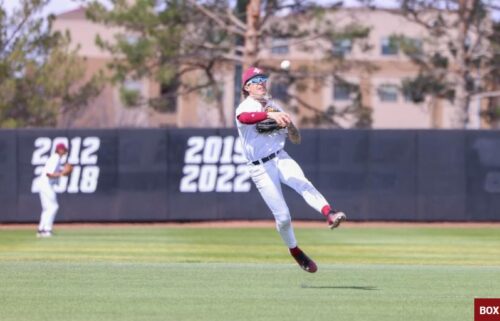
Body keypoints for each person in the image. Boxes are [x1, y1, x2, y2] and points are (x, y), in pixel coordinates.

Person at [235, 66, 347, 273]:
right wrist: (269, 117)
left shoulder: (273, 106)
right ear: (247, 87)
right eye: (256, 80)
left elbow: (294, 137)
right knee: (284, 217)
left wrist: (288, 125)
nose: (261, 83)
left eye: (263, 79)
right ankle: (295, 251)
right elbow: (245, 119)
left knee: (303, 183)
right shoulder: (245, 106)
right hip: (260, 168)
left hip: (280, 157)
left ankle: (329, 213)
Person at [37, 143, 71, 237]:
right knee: (53, 207)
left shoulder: (55, 158)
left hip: (43, 184)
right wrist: (62, 173)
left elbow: (56, 172)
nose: (65, 151)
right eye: (63, 150)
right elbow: (49, 174)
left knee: (47, 208)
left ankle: (41, 229)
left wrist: (62, 171)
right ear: (59, 150)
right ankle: (47, 229)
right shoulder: (55, 158)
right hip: (46, 185)